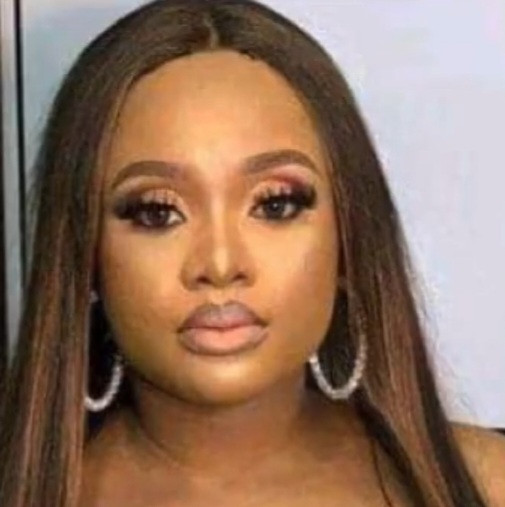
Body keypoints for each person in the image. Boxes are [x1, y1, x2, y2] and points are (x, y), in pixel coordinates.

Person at [0, 1, 504, 505]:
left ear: (349, 237)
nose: (220, 265)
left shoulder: (487, 481)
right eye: (156, 212)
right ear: (86, 253)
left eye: (275, 205)